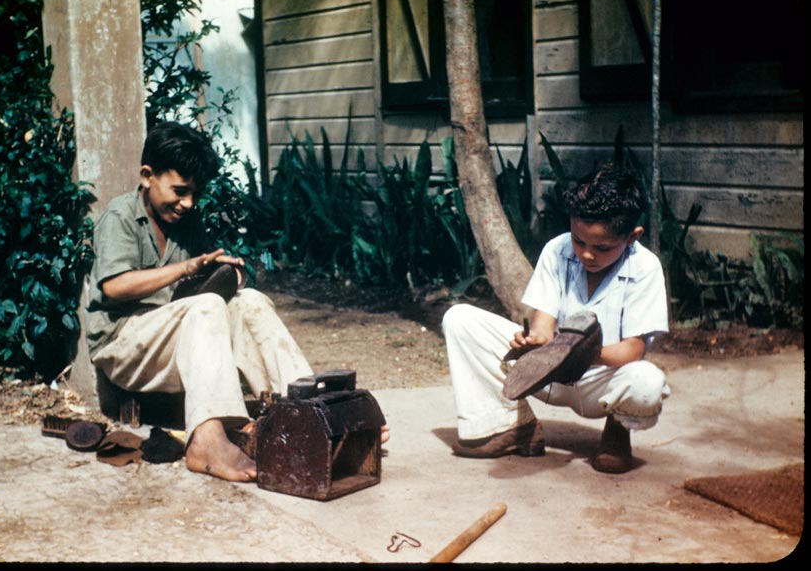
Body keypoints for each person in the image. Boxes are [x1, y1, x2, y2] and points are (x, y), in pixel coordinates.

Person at [85, 121, 389, 483]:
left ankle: (311, 411)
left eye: (195, 193)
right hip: (124, 346)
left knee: (251, 301)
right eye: (180, 191)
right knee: (208, 305)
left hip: (168, 338)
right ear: (147, 175)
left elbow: (192, 290)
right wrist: (187, 269)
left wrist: (225, 275)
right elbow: (116, 287)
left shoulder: (185, 220)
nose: (188, 203)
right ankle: (207, 441)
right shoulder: (120, 217)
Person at [442, 163, 670, 474]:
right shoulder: (556, 250)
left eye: (602, 247)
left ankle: (617, 430)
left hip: (601, 380)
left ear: (632, 237)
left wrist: (583, 353)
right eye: (580, 241)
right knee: (460, 319)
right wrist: (532, 344)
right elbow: (542, 327)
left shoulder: (646, 268)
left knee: (647, 382)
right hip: (549, 372)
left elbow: (633, 350)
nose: (587, 254)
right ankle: (512, 426)